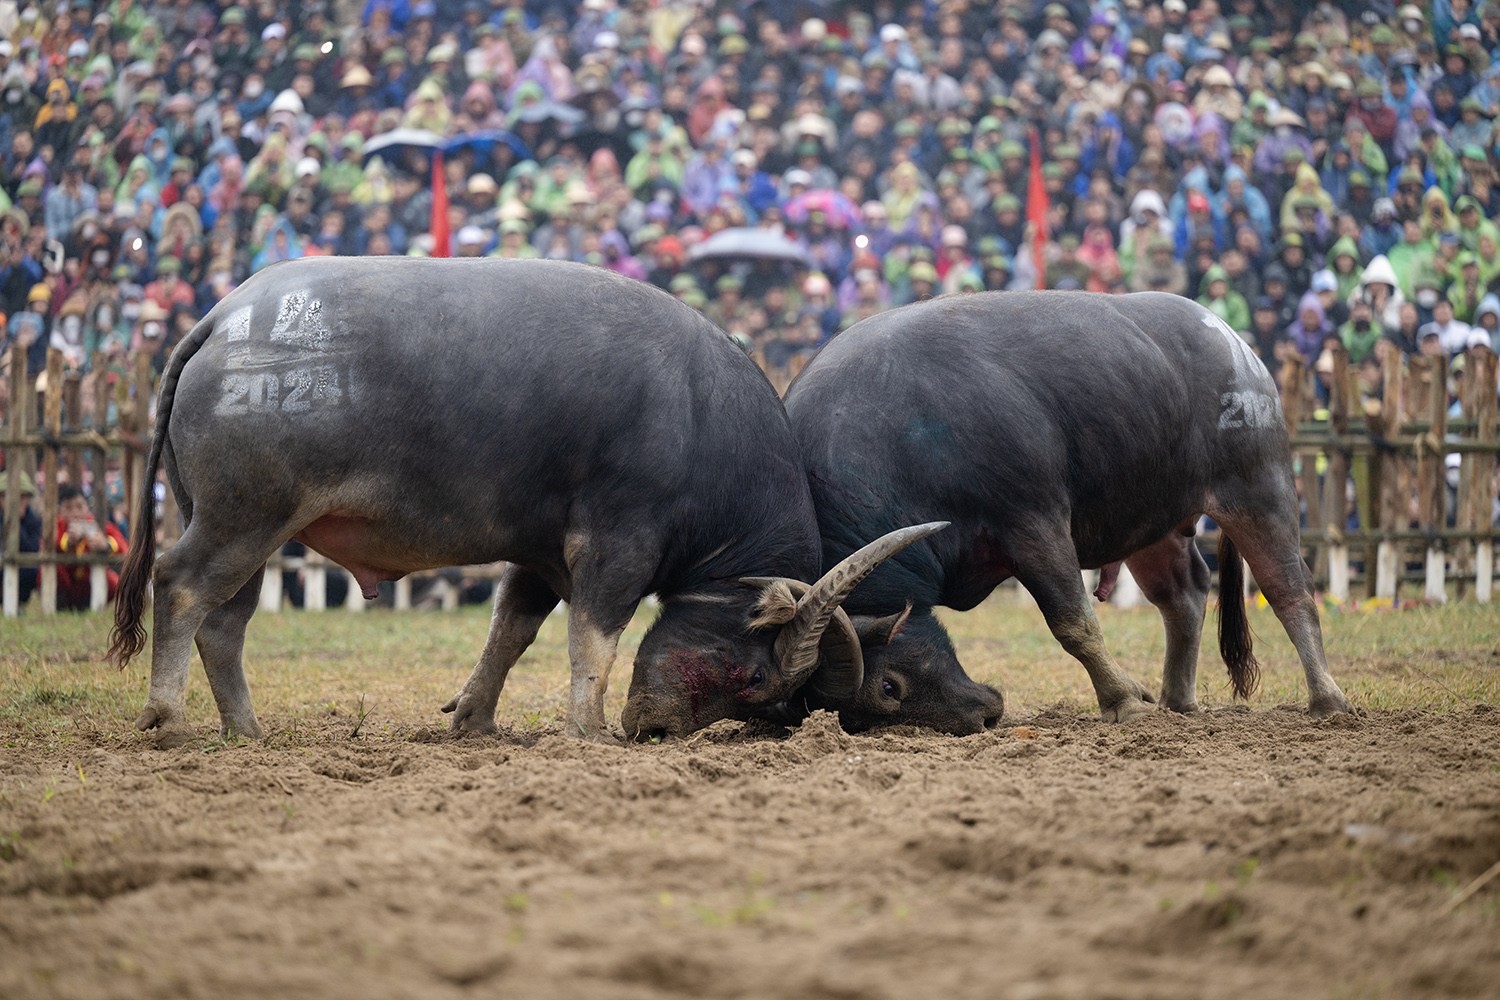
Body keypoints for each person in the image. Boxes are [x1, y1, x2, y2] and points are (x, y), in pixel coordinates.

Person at [54, 484, 128, 611]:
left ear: (87, 507)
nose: (75, 513)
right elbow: (52, 544)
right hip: (65, 587)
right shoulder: (57, 526)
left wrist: (106, 545)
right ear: (61, 511)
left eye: (79, 507)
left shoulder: (95, 524)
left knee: (113, 581)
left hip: (89, 586)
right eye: (68, 508)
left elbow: (123, 546)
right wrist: (70, 543)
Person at [0, 469, 40, 608]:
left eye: (24, 497)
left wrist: (14, 521)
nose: (20, 501)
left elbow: (32, 550)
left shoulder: (32, 520)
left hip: (21, 572)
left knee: (31, 570)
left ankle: (18, 603)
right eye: (16, 497)